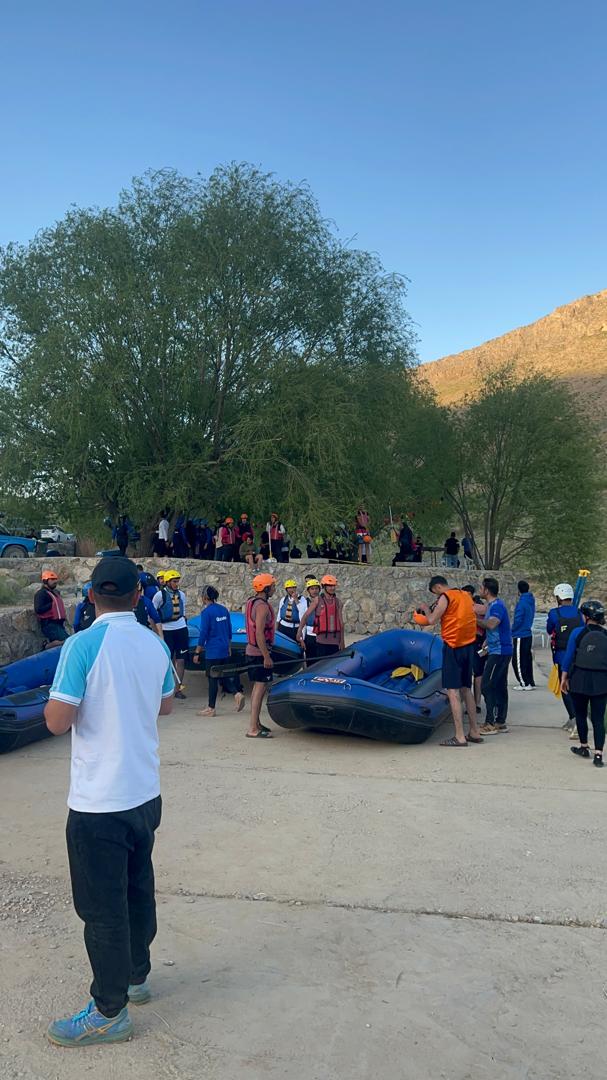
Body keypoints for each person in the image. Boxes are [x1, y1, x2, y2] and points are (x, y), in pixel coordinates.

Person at [43, 556, 174, 1047]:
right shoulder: (154, 643)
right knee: (138, 888)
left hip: (99, 802)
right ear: (139, 596)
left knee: (102, 908)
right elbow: (165, 704)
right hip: (144, 793)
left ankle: (108, 1011)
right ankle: (137, 976)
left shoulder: (81, 644)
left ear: (92, 596)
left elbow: (57, 721)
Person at [413, 576, 483, 746]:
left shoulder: (445, 597)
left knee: (453, 691)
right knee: (466, 689)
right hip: (469, 646)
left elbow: (431, 620)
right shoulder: (465, 595)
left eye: (435, 592)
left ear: (438, 587)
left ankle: (459, 736)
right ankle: (474, 731)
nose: (436, 596)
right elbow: (477, 611)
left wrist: (425, 609)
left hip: (453, 647)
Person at [561, 599, 607, 768]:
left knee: (580, 714)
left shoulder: (577, 633)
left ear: (586, 617)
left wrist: (564, 677)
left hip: (579, 678)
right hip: (601, 681)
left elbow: (569, 656)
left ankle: (584, 747)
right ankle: (598, 755)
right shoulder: (606, 634)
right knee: (598, 718)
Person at [192, 585, 245, 716]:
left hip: (213, 651)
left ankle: (211, 708)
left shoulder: (206, 613)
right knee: (222, 675)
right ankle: (237, 694)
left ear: (205, 597)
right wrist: (229, 647)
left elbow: (203, 633)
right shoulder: (223, 610)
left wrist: (197, 652)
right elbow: (229, 629)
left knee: (212, 679)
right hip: (224, 648)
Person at [477, 577, 513, 735]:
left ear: (486, 590)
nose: (479, 590)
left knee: (487, 685)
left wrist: (472, 619)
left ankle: (490, 722)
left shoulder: (497, 606)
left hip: (500, 652)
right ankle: (500, 721)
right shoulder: (492, 606)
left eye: (481, 587)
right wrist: (487, 641)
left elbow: (492, 624)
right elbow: (496, 629)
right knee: (499, 685)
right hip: (497, 649)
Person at [547, 583, 584, 734]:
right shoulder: (579, 613)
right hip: (578, 654)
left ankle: (574, 718)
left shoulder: (554, 613)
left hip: (561, 655)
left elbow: (549, 630)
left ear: (558, 598)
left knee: (564, 687)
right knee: (575, 687)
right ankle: (574, 718)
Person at [245, 573, 277, 738]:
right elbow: (259, 633)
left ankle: (256, 723)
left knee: (257, 688)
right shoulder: (262, 607)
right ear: (265, 588)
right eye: (272, 586)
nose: (274, 589)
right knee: (259, 688)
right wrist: (266, 656)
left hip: (252, 650)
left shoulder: (252, 602)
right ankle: (253, 728)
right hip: (259, 653)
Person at [152, 569, 188, 699]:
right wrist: (157, 631)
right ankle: (165, 688)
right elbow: (153, 614)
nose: (177, 584)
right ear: (167, 582)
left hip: (181, 628)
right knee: (167, 660)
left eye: (177, 581)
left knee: (181, 659)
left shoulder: (182, 595)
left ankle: (178, 689)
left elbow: (183, 613)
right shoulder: (159, 596)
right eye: (174, 581)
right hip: (166, 630)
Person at [297, 575, 345, 658]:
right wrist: (299, 631)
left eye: (333, 586)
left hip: (335, 641)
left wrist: (342, 641)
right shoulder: (317, 600)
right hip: (321, 641)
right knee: (319, 663)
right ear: (324, 587)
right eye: (329, 586)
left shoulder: (338, 602)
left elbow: (341, 623)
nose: (332, 588)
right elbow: (305, 616)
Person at [462, 584, 486, 715]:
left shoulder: (477, 606)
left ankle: (476, 704)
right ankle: (472, 704)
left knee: (477, 674)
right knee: (471, 674)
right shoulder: (470, 605)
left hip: (477, 642)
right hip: (468, 642)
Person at [511, 580, 536, 690]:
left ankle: (524, 683)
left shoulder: (521, 603)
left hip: (520, 634)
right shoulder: (531, 601)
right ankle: (530, 681)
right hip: (528, 633)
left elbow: (518, 619)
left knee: (517, 660)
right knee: (526, 659)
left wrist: (512, 630)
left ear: (519, 590)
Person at [34, 570, 70, 645]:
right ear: (45, 581)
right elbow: (38, 609)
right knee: (68, 641)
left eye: (55, 579)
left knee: (66, 641)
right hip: (49, 625)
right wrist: (52, 605)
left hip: (58, 624)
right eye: (52, 579)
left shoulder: (54, 593)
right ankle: (46, 646)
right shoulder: (41, 594)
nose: (55, 581)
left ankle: (48, 645)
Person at [300, 576, 321, 662]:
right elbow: (302, 621)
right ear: (308, 591)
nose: (314, 591)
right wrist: (301, 639)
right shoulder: (304, 603)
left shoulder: (324, 601)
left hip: (322, 636)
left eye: (316, 588)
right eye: (312, 589)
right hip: (310, 636)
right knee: (311, 661)